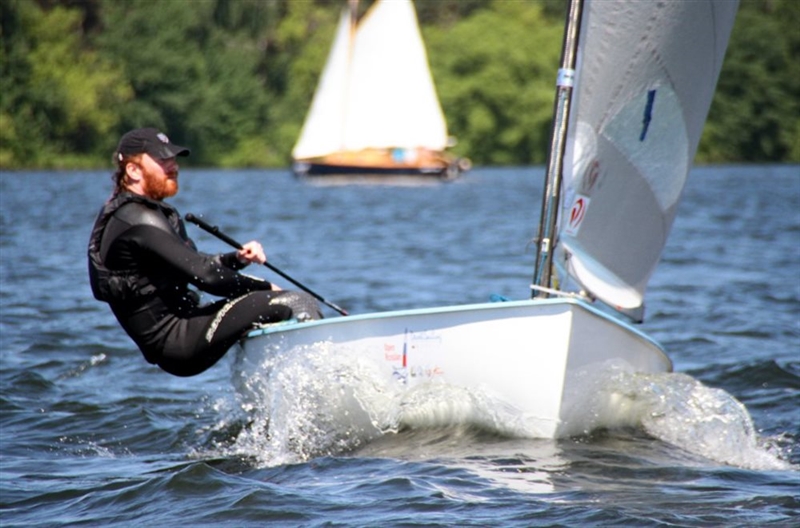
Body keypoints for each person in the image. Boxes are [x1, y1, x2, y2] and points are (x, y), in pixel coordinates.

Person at [88, 127, 321, 377]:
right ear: (133, 170)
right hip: (178, 339)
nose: (173, 166)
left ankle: (286, 384)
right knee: (297, 301)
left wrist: (236, 259)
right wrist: (265, 287)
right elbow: (207, 277)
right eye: (162, 160)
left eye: (173, 159)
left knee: (267, 308)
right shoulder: (137, 218)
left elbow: (195, 265)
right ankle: (323, 379)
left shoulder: (142, 213)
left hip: (185, 329)